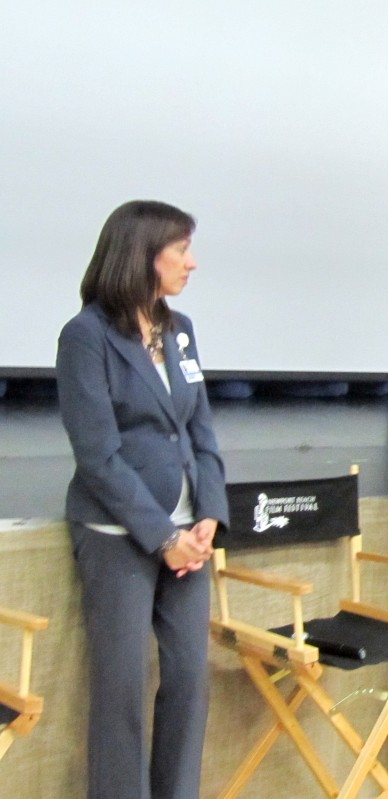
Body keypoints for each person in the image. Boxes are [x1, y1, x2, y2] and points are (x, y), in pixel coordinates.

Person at [56, 200, 228, 799]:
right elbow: (97, 456)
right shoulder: (86, 337)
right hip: (120, 536)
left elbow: (201, 430)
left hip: (190, 538)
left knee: (189, 680)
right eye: (181, 250)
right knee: (121, 688)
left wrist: (210, 513)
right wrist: (164, 536)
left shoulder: (180, 331)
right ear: (142, 254)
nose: (192, 262)